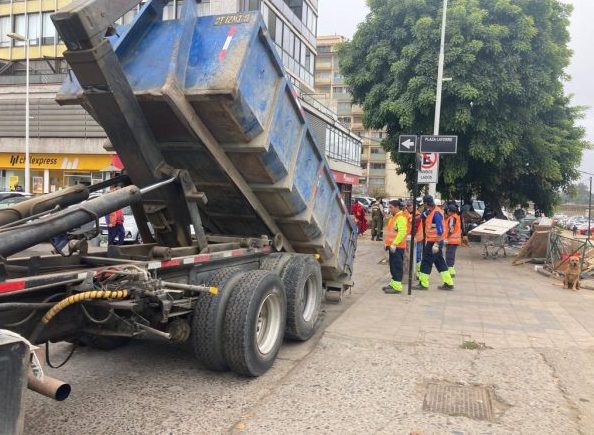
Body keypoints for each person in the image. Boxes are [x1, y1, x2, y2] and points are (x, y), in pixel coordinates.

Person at [414, 195, 455, 291]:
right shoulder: (430, 211)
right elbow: (421, 217)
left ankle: (423, 284)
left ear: (425, 203)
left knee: (426, 261)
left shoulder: (436, 214)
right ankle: (449, 283)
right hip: (433, 241)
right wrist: (412, 218)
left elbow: (440, 230)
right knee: (440, 262)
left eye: (423, 204)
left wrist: (436, 243)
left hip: (434, 242)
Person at [382, 200, 408, 294]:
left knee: (397, 266)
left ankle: (397, 287)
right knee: (393, 266)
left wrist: (394, 244)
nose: (389, 209)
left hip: (397, 247)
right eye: (389, 207)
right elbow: (390, 233)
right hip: (393, 247)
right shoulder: (394, 217)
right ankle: (393, 283)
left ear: (397, 207)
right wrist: (387, 243)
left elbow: (402, 232)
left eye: (391, 207)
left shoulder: (400, 218)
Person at [444, 203, 462, 277]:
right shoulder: (456, 217)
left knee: (449, 255)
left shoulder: (452, 218)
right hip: (455, 240)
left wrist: (446, 237)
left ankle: (450, 271)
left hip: (452, 240)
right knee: (451, 255)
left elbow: (451, 229)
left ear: (449, 211)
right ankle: (451, 269)